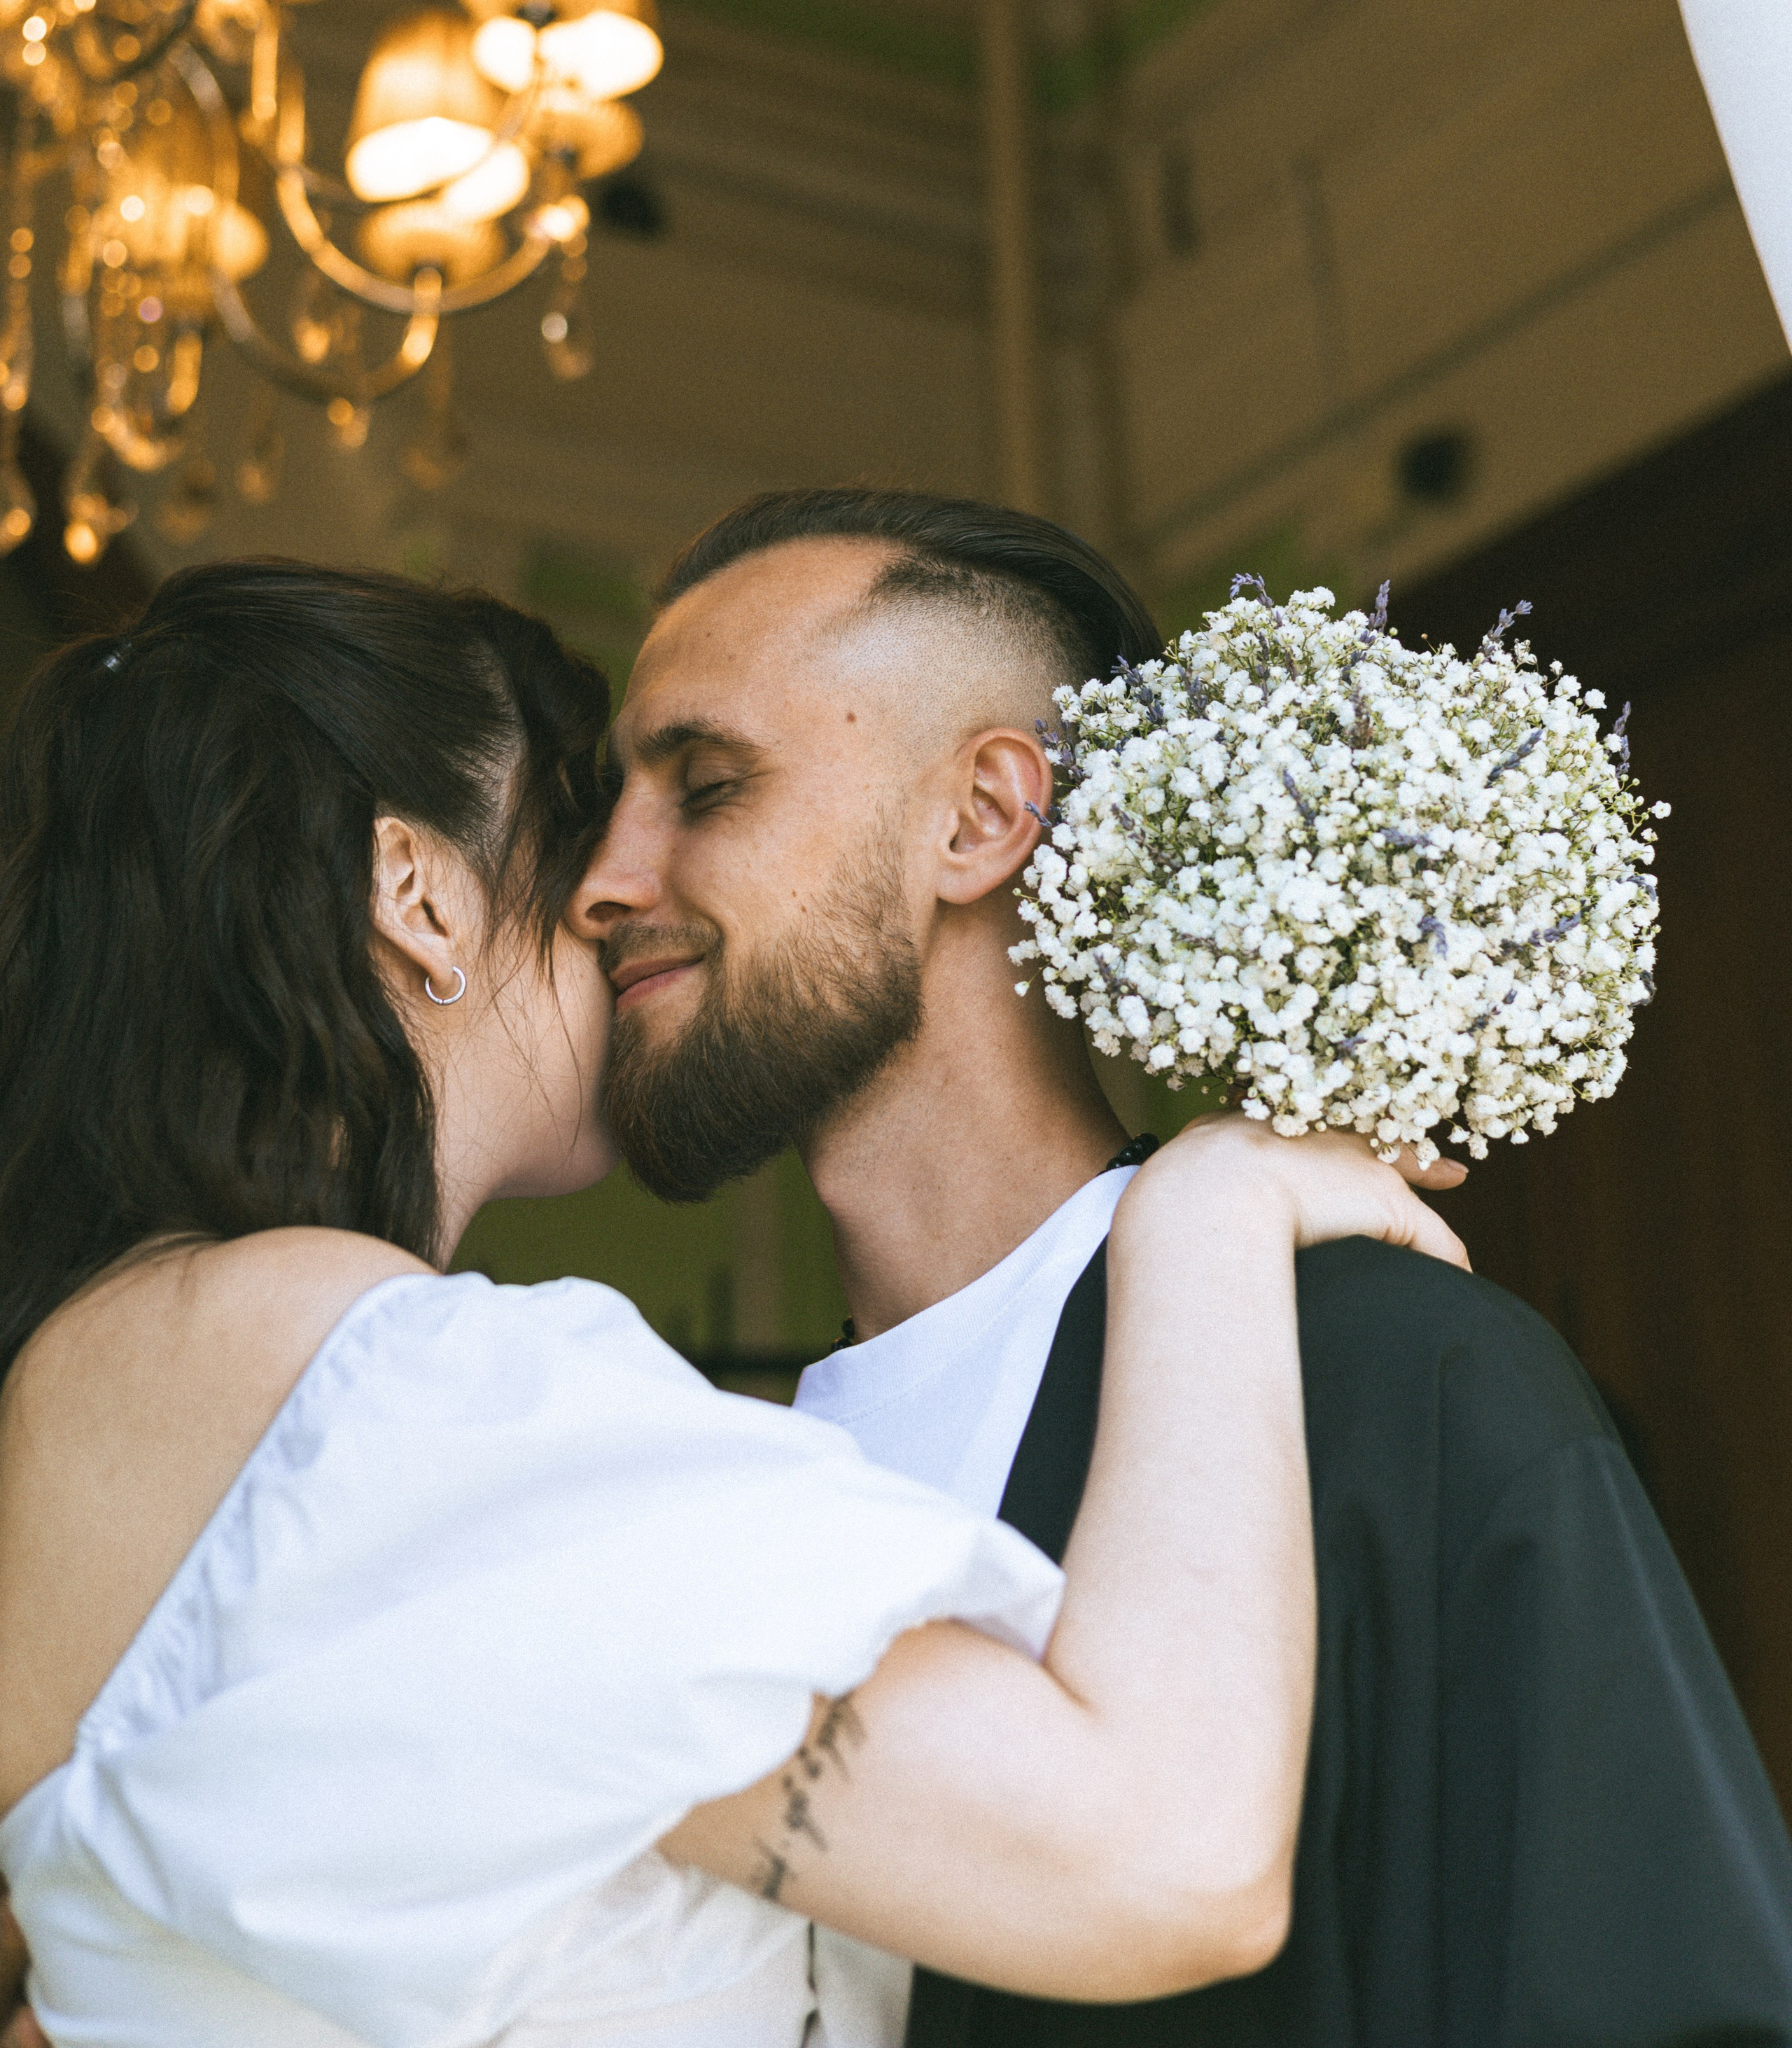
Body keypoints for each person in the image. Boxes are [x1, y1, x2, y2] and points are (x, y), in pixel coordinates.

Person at [0, 557, 1463, 2048]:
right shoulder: (398, 1398)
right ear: (415, 894)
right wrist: (1206, 1209)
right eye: (573, 817)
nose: (613, 889)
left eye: (695, 792)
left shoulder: (74, 1402)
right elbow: (1167, 1860)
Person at [588, 485, 1792, 2048]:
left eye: (705, 785)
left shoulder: (1391, 1378)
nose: (601, 880)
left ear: (980, 819)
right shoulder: (690, 1494)